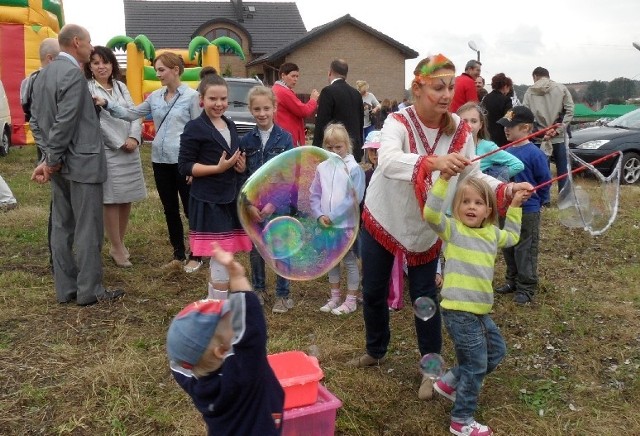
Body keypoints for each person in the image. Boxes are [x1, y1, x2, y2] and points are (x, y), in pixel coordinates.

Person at [348, 54, 533, 403]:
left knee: (424, 298)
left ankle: (430, 368)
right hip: (384, 215)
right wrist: (432, 162)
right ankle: (375, 350)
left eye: (450, 87)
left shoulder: (461, 132)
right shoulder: (397, 122)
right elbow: (386, 161)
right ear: (418, 89)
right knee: (372, 291)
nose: (447, 95)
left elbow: (472, 175)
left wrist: (506, 191)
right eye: (438, 87)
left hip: (426, 225)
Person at [424, 175, 528, 436]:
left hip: (480, 310)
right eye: (465, 201)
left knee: (497, 352)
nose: (471, 206)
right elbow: (430, 215)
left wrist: (515, 204)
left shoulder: (492, 233)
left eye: (478, 202)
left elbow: (513, 236)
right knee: (475, 366)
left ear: (488, 211)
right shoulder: (453, 231)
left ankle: (449, 383)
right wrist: (444, 179)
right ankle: (461, 420)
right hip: (458, 311)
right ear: (456, 207)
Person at [30, 24, 124, 306]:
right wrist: (53, 159)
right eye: (89, 41)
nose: (92, 47)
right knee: (87, 227)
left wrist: (48, 158)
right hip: (80, 163)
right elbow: (66, 121)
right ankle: (89, 290)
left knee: (62, 226)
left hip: (59, 163)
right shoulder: (72, 74)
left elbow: (36, 121)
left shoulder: (41, 75)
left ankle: (67, 288)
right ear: (75, 42)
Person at [96, 52, 202, 272]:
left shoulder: (192, 97)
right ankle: (178, 253)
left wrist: (195, 163)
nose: (158, 74)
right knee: (169, 208)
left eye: (161, 69)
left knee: (191, 208)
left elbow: (199, 131)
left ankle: (197, 254)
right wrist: (107, 103)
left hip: (183, 161)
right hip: (160, 160)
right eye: (156, 70)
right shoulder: (155, 97)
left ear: (175, 70)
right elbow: (130, 114)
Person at [166, 242, 284, 435]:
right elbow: (252, 329)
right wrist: (237, 277)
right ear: (222, 350)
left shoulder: (196, 383)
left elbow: (178, 363)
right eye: (232, 322)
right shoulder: (244, 373)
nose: (237, 322)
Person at [178, 67, 253, 302]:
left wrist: (239, 167)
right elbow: (185, 166)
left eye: (223, 99)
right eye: (213, 99)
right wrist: (216, 169)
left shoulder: (230, 125)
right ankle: (218, 307)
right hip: (209, 200)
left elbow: (234, 157)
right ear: (201, 100)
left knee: (225, 253)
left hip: (230, 198)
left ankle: (215, 304)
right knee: (221, 255)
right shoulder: (195, 128)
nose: (218, 104)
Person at [85, 46, 145, 268]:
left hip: (131, 147)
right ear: (89, 67)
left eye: (106, 62)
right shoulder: (88, 88)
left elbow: (134, 113)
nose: (101, 67)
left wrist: (134, 138)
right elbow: (96, 123)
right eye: (96, 63)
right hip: (109, 150)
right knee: (111, 198)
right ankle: (117, 246)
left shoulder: (120, 86)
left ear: (113, 65)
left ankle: (118, 242)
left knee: (126, 196)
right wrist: (119, 143)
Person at [240, 85, 295, 313]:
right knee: (257, 248)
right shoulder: (246, 141)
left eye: (266, 108)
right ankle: (259, 289)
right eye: (257, 109)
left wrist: (274, 203)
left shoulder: (285, 139)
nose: (262, 113)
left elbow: (288, 176)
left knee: (281, 247)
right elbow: (244, 177)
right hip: (254, 207)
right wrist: (249, 205)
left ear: (274, 108)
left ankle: (283, 294)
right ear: (251, 110)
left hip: (278, 205)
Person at [494, 106, 551, 305]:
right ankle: (512, 280)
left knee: (525, 248)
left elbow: (545, 180)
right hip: (507, 208)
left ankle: (526, 287)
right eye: (504, 126)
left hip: (528, 210)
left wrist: (540, 200)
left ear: (526, 128)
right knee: (508, 246)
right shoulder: (504, 152)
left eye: (511, 126)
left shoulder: (535, 154)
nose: (506, 130)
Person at [312, 123, 365, 315]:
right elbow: (315, 194)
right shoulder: (322, 167)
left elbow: (353, 198)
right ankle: (334, 297)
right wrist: (319, 214)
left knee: (349, 261)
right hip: (326, 224)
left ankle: (351, 299)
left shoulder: (353, 169)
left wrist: (333, 216)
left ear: (347, 145)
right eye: (329, 147)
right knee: (331, 261)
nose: (334, 151)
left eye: (338, 147)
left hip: (345, 225)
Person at [361, 130, 405, 311]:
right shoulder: (367, 175)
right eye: (372, 151)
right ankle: (375, 295)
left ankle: (394, 299)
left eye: (379, 151)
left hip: (392, 225)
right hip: (372, 225)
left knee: (394, 265)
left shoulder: (394, 175)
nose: (375, 156)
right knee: (373, 263)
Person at [523, 66, 574, 192]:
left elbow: (526, 115)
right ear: (548, 76)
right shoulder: (561, 88)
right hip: (558, 136)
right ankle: (564, 198)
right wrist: (557, 130)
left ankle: (544, 199)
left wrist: (539, 133)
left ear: (535, 76)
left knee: (542, 171)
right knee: (562, 170)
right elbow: (570, 110)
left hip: (540, 138)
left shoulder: (529, 92)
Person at [312, 59, 364, 161]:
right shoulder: (356, 94)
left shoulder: (328, 92)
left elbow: (322, 123)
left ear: (330, 72)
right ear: (346, 74)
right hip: (352, 150)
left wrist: (316, 150)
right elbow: (360, 123)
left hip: (334, 151)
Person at [457, 102, 523, 181]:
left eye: (474, 121)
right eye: (464, 121)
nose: (469, 125)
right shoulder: (449, 144)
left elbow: (518, 165)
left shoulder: (487, 147)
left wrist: (492, 179)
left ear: (481, 125)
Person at [21, 38, 60, 161]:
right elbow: (35, 118)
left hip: (43, 139)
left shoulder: (28, 80)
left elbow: (25, 106)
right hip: (50, 140)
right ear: (51, 58)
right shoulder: (44, 81)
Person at [272, 62, 319, 146]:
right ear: (283, 75)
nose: (295, 79)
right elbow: (303, 111)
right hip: (288, 137)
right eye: (293, 76)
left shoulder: (276, 89)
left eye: (297, 76)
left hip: (281, 135)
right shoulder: (283, 92)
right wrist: (313, 100)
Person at [480, 73, 513, 147]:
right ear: (505, 86)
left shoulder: (485, 98)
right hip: (500, 136)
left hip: (486, 134)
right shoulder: (507, 100)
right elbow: (509, 118)